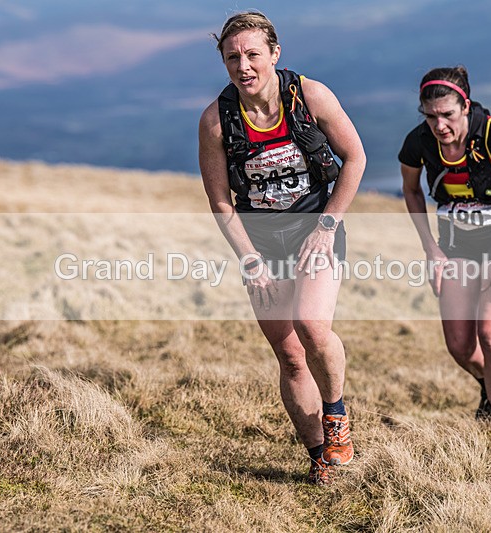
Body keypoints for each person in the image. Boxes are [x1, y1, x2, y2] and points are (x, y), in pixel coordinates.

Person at [198, 11, 366, 484]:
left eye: (253, 54)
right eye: (233, 57)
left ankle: (336, 419)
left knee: (312, 326)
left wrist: (327, 226)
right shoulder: (216, 121)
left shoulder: (310, 96)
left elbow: (355, 157)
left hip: (317, 230)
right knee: (290, 355)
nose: (243, 65)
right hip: (261, 244)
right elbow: (219, 201)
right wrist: (249, 259)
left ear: (275, 53)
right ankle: (320, 456)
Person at [399, 66, 491, 430]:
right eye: (430, 116)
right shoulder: (419, 142)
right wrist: (431, 249)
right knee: (460, 345)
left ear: (465, 105)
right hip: (456, 247)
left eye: (447, 115)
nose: (439, 125)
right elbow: (411, 190)